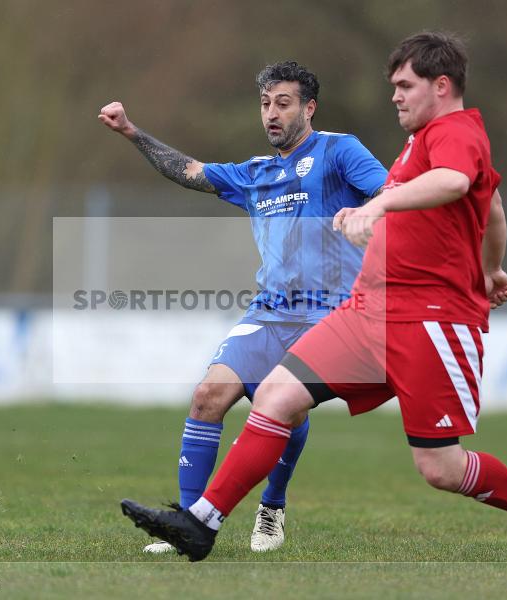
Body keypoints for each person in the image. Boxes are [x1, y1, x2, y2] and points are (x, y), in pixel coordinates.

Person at [121, 31, 507, 563]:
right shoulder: (417, 143)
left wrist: (378, 210)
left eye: (405, 85)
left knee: (441, 469)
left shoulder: (454, 132)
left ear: (442, 85)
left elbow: (458, 182)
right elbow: (489, 200)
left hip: (428, 319)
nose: (395, 96)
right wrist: (493, 267)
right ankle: (201, 522)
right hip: (365, 311)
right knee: (275, 398)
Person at [99, 61, 388, 552]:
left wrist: (367, 214)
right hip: (270, 312)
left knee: (285, 409)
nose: (272, 114)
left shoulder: (340, 151)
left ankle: (271, 507)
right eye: (265, 104)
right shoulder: (255, 173)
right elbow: (188, 171)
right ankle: (186, 525)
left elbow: (391, 195)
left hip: (332, 315)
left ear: (309, 107)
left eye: (283, 103)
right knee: (208, 397)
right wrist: (131, 132)